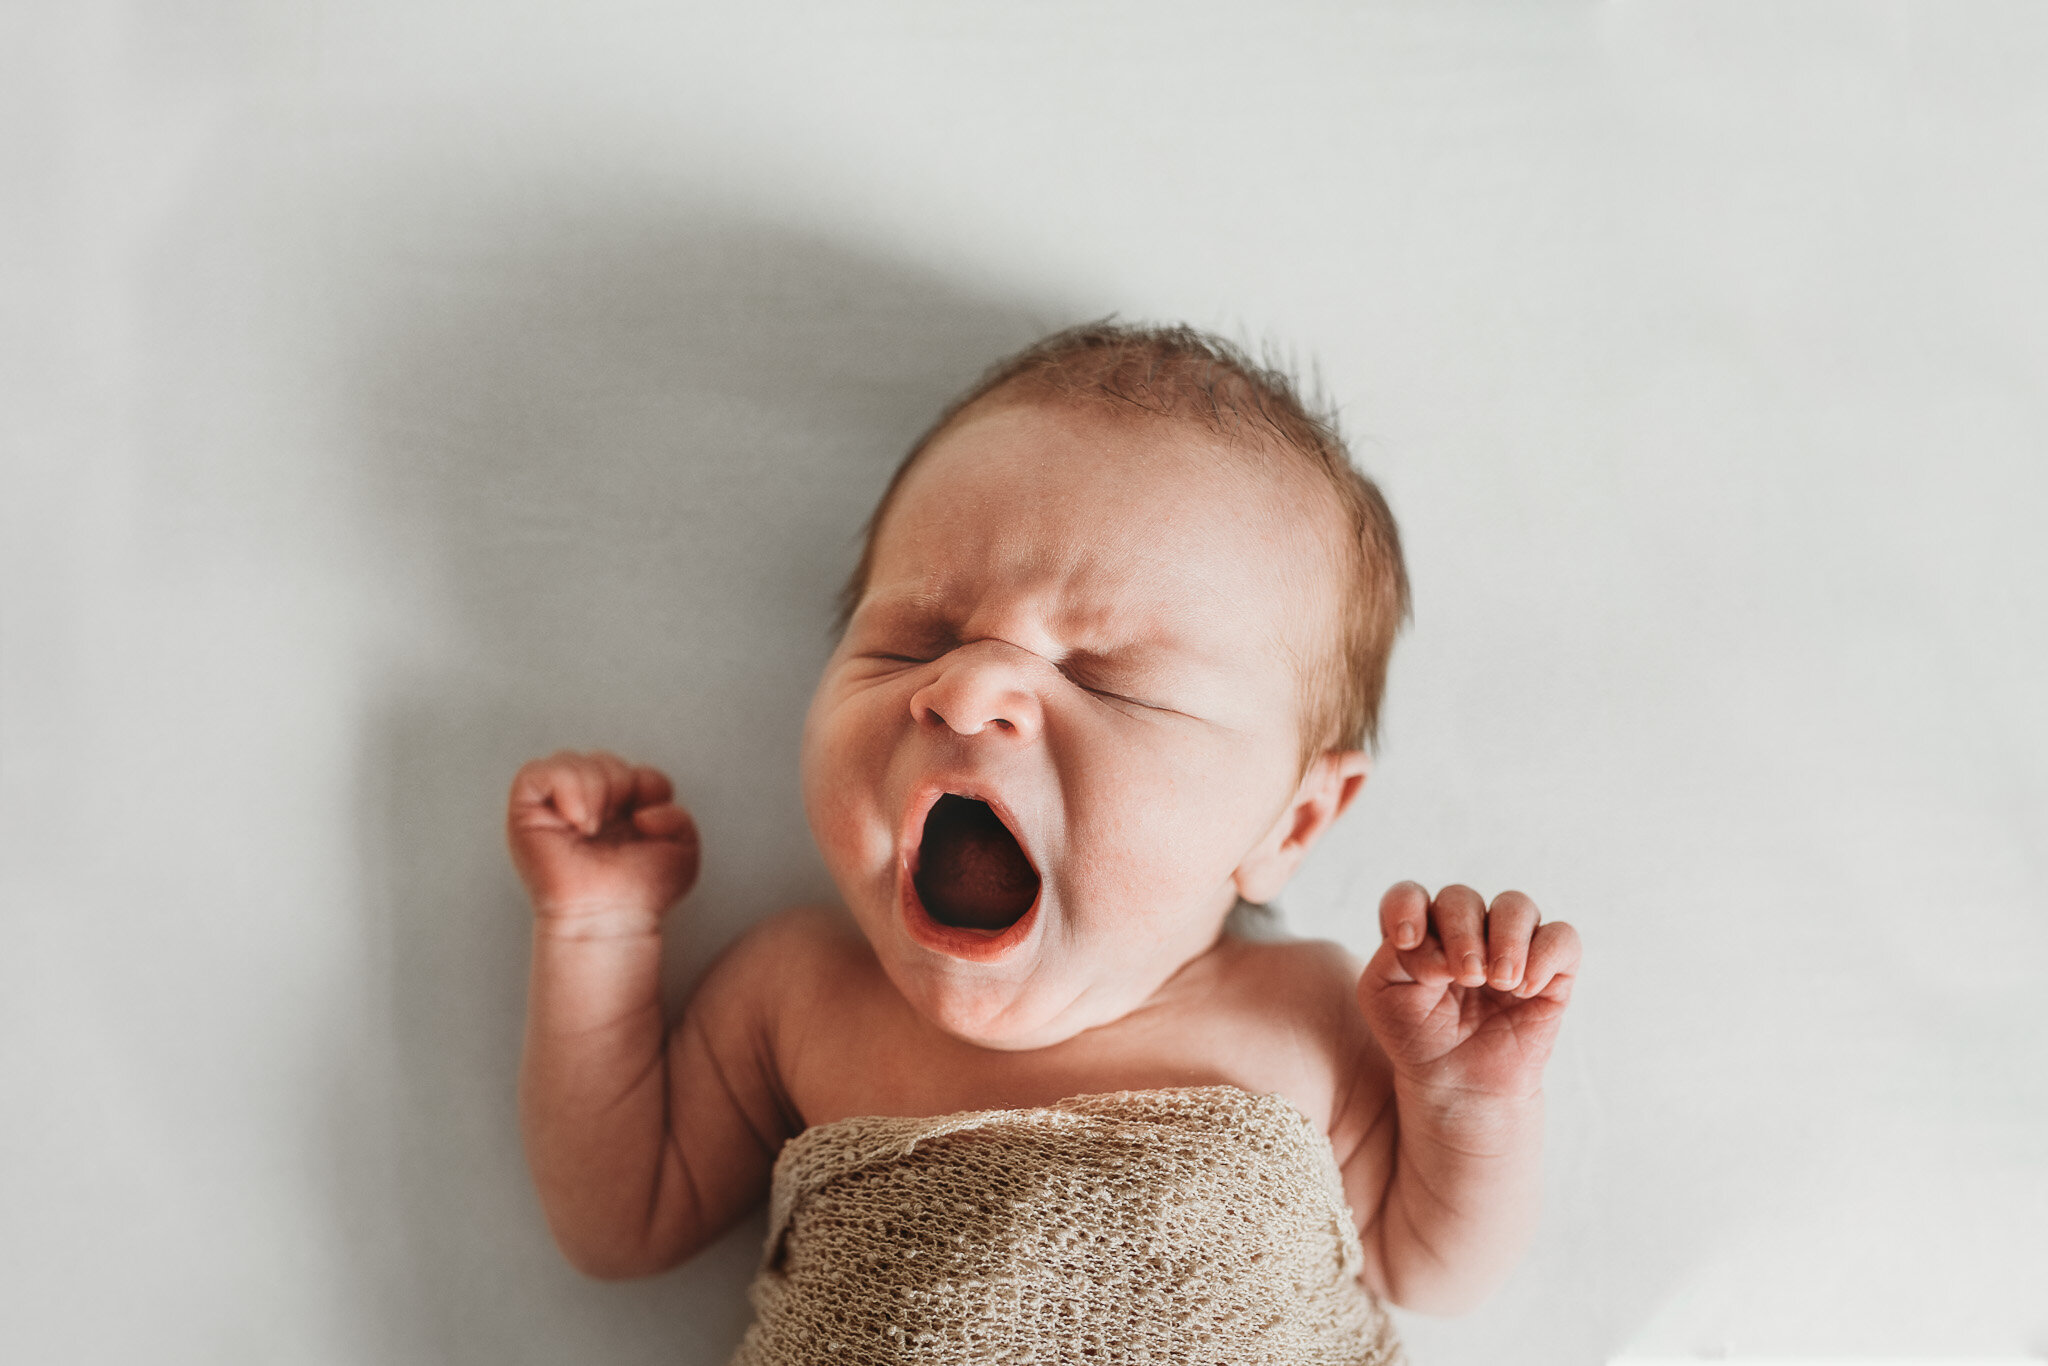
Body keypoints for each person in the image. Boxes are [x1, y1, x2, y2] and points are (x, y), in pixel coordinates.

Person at [507, 322, 1581, 1360]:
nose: (968, 688)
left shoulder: (1309, 1014)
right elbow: (620, 1220)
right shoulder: (794, 994)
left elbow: (1430, 1269)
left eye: (1105, 674)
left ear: (1290, 821)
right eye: (912, 639)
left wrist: (1467, 1098)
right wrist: (597, 928)